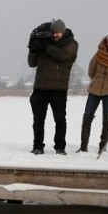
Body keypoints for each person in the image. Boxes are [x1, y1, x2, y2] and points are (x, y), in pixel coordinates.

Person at [27, 19, 79, 155]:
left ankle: (60, 147)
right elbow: (31, 63)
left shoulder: (71, 44)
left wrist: (45, 46)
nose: (55, 35)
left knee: (60, 119)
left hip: (58, 88)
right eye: (53, 32)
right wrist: (32, 47)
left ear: (63, 31)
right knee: (38, 120)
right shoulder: (45, 43)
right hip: (40, 87)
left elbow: (63, 56)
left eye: (57, 33)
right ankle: (38, 146)